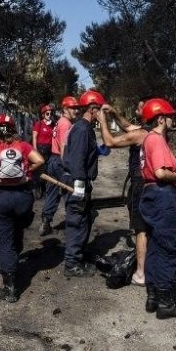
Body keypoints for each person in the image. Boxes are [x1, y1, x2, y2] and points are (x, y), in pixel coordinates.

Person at [0, 113, 44, 303]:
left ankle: (10, 287)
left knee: (4, 242)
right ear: (13, 128)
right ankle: (16, 250)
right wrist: (26, 174)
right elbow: (40, 160)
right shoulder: (23, 146)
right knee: (17, 228)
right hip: (23, 197)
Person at [139, 97, 176, 319]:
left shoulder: (148, 139)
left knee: (155, 247)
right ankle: (166, 303)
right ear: (160, 118)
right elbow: (160, 172)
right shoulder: (157, 140)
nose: (171, 120)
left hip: (151, 194)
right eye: (169, 116)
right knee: (168, 248)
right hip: (162, 196)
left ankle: (153, 296)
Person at [97, 99, 149, 286]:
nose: (136, 109)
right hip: (148, 183)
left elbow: (109, 142)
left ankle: (141, 273)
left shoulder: (142, 134)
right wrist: (114, 112)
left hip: (140, 184)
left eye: (139, 108)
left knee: (141, 228)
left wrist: (102, 119)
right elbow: (127, 125)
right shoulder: (151, 131)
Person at [61, 90, 106, 277]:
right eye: (101, 110)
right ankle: (71, 264)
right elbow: (77, 159)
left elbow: (87, 154)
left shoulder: (86, 129)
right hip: (77, 182)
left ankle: (78, 257)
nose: (103, 114)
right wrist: (79, 187)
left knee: (84, 220)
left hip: (82, 181)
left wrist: (102, 150)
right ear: (93, 109)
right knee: (77, 221)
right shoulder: (81, 129)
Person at [39, 96, 80, 236]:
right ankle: (74, 223)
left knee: (52, 192)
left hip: (52, 160)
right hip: (60, 162)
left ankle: (46, 220)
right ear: (65, 109)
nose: (76, 111)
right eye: (73, 108)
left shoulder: (59, 122)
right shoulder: (66, 124)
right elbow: (64, 146)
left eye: (77, 108)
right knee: (71, 192)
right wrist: (68, 168)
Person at [32, 104, 55, 198]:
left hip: (49, 150)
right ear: (43, 115)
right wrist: (35, 150)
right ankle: (38, 188)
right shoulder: (39, 124)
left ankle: (44, 188)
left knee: (46, 170)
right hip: (40, 149)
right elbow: (34, 137)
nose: (49, 115)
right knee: (39, 170)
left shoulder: (53, 125)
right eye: (47, 114)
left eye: (50, 113)